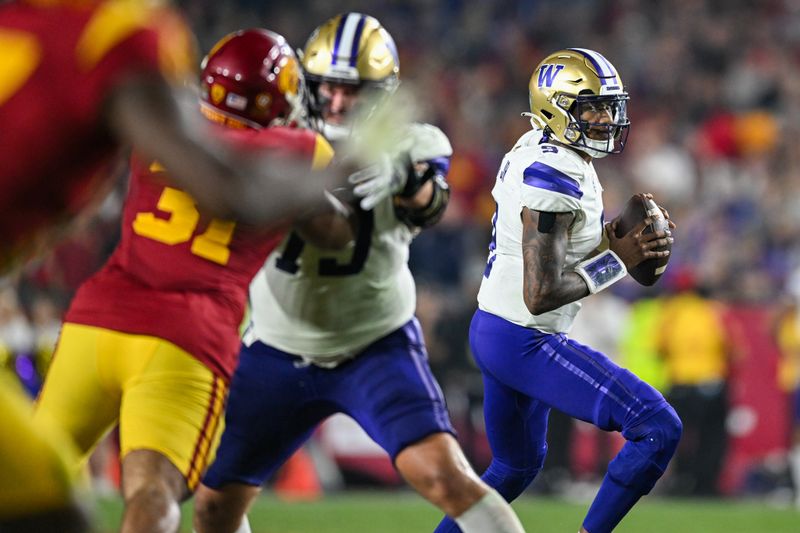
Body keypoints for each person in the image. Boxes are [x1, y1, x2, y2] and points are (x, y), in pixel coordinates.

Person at [193, 13, 526, 533]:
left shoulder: (413, 143)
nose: (340, 102)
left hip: (373, 345)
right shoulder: (269, 140)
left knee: (447, 479)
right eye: (328, 87)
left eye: (355, 90)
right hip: (277, 348)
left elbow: (429, 203)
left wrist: (396, 175)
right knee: (214, 507)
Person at [32, 27, 338, 533]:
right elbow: (333, 229)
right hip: (185, 332)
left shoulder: (166, 121)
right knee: (153, 491)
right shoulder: (298, 145)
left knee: (31, 477)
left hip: (99, 315)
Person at [435, 49, 683, 533]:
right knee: (657, 427)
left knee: (515, 467)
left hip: (497, 329)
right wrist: (621, 258)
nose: (606, 118)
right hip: (523, 337)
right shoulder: (555, 172)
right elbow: (540, 292)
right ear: (556, 107)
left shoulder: (544, 149)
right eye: (592, 106)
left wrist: (611, 237)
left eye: (610, 106)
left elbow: (556, 251)